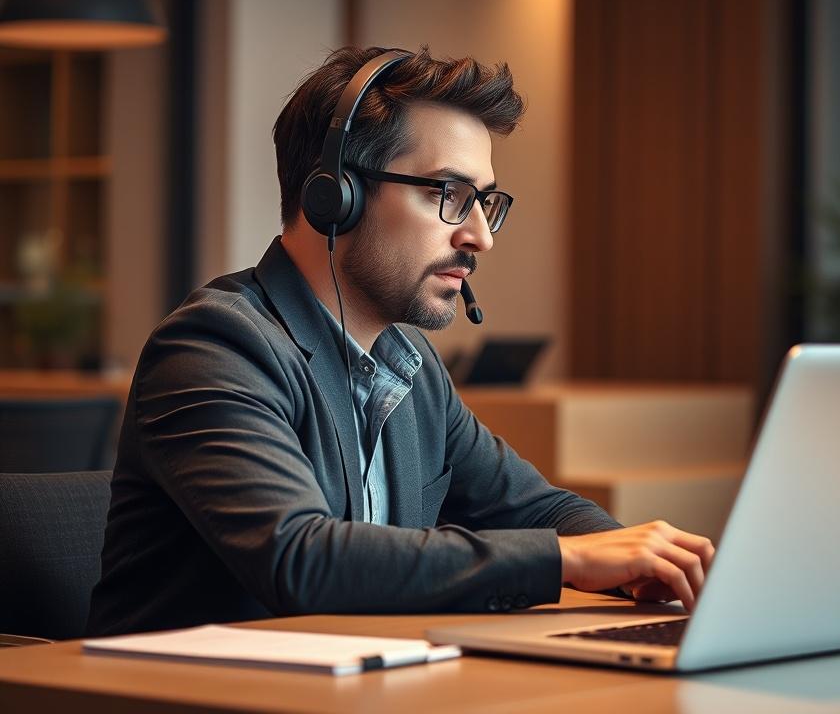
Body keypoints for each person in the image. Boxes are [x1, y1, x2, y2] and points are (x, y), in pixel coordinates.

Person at [87, 46, 714, 636]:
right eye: (448, 194)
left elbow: (535, 509)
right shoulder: (216, 346)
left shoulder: (408, 367)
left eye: (485, 203)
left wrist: (640, 565)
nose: (479, 237)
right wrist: (565, 561)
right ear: (335, 197)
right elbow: (300, 558)